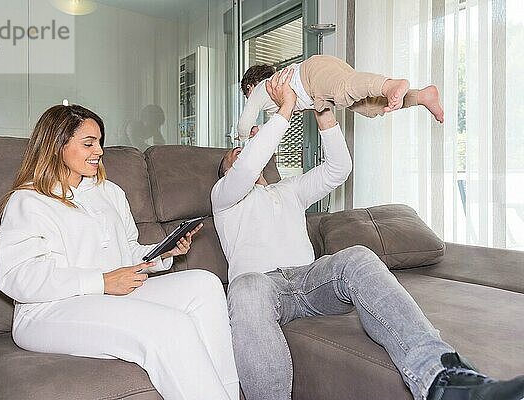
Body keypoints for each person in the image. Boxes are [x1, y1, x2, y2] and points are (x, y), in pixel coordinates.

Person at [212, 69, 524, 400]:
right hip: (264, 287)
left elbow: (338, 170)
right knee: (244, 287)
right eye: (235, 155)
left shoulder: (288, 189)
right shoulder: (224, 198)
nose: (243, 154)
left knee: (357, 256)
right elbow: (246, 168)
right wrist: (285, 108)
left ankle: (442, 380)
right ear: (225, 172)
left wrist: (323, 112)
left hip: (310, 282)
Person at [0, 104, 239, 400]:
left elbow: (129, 254)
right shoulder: (29, 200)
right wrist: (102, 282)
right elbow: (17, 277)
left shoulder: (110, 192)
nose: (98, 151)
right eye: (88, 143)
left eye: (99, 142)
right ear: (57, 145)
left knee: (204, 284)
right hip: (46, 310)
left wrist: (162, 254)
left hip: (110, 294)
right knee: (170, 325)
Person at [237, 55, 444, 141]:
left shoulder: (263, 88)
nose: (250, 99)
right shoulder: (278, 99)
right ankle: (422, 96)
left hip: (310, 75)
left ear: (250, 86)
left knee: (342, 90)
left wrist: (244, 137)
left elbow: (244, 122)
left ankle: (390, 84)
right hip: (319, 77)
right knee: (368, 106)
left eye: (248, 95)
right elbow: (280, 123)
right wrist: (261, 131)